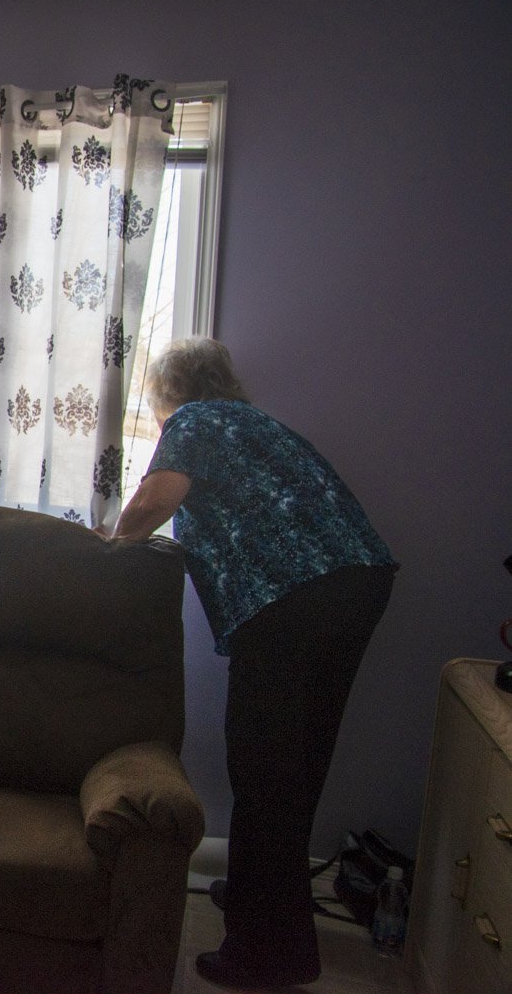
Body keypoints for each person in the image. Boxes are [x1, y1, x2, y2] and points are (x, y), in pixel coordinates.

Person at [109, 338, 396, 990]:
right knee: (296, 765)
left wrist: (109, 546)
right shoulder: (259, 425)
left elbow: (156, 499)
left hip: (290, 598)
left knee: (265, 769)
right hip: (359, 582)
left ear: (168, 393)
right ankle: (257, 901)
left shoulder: (196, 420)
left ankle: (267, 953)